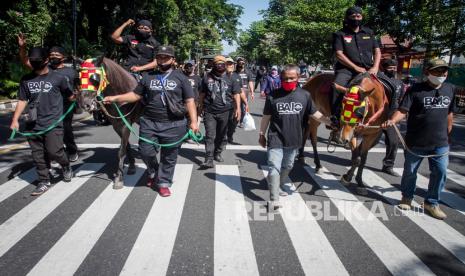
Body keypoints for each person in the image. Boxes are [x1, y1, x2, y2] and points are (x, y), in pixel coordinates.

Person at [103, 46, 199, 197]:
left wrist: (194, 122)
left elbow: (190, 101)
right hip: (149, 122)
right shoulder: (148, 77)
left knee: (169, 157)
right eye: (159, 57)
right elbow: (135, 96)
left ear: (173, 60)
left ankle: (164, 183)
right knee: (145, 151)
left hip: (174, 123)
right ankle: (153, 172)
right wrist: (114, 98)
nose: (162, 60)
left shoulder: (181, 78)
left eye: (166, 57)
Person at [382, 59, 456, 220]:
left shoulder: (450, 89)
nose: (442, 74)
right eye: (437, 71)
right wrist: (392, 120)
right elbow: (403, 110)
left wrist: (448, 131)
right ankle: (407, 198)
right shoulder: (415, 90)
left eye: (444, 71)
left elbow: (450, 113)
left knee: (441, 172)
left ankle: (431, 203)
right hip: (416, 141)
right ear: (427, 72)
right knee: (410, 172)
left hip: (440, 143)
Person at [259, 65, 334, 211]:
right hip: (275, 137)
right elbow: (266, 117)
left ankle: (279, 184)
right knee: (274, 166)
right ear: (281, 78)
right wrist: (261, 134)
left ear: (298, 78)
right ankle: (274, 199)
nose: (288, 80)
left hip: (294, 139)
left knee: (288, 166)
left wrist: (329, 121)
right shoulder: (273, 96)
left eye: (291, 78)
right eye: (285, 78)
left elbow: (315, 114)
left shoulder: (304, 95)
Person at [10, 47, 74, 196]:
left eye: (37, 61)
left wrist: (80, 98)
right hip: (32, 124)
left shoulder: (58, 78)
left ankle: (65, 165)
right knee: (38, 154)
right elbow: (22, 100)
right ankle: (44, 180)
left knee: (55, 151)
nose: (34, 63)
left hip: (53, 123)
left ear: (46, 60)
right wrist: (15, 120)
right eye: (32, 61)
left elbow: (70, 96)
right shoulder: (26, 79)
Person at [18, 34, 80, 162]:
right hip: (47, 107)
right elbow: (26, 61)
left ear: (64, 57)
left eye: (57, 55)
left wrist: (78, 98)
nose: (53, 57)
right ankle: (55, 152)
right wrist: (23, 48)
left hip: (65, 105)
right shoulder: (44, 68)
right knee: (48, 133)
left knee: (66, 129)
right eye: (51, 55)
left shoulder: (72, 72)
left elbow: (77, 87)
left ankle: (72, 149)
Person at [332, 6, 381, 126]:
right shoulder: (339, 34)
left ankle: (390, 112)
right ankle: (335, 117)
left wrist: (375, 67)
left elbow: (377, 51)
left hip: (369, 69)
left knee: (391, 84)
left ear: (362, 17)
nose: (356, 18)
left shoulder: (369, 32)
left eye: (358, 16)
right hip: (346, 70)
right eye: (353, 16)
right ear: (347, 18)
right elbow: (339, 54)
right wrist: (355, 67)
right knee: (337, 87)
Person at [198, 55, 241, 168]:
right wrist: (200, 107)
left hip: (226, 111)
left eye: (223, 64)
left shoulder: (232, 77)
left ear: (225, 65)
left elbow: (236, 95)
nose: (220, 65)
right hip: (209, 111)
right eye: (218, 64)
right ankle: (209, 159)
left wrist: (238, 109)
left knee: (222, 135)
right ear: (214, 64)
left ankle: (217, 152)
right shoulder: (207, 77)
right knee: (210, 135)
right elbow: (202, 94)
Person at [379, 58, 405, 176]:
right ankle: (357, 156)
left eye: (394, 68)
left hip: (392, 115)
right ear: (384, 68)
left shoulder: (399, 82)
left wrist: (401, 114)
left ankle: (388, 165)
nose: (393, 70)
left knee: (394, 142)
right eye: (390, 68)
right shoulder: (378, 80)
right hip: (378, 114)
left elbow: (402, 99)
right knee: (369, 141)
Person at [225, 57, 248, 144]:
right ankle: (223, 136)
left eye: (231, 64)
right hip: (223, 104)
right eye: (228, 64)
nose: (230, 65)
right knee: (224, 122)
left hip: (234, 104)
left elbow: (240, 90)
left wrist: (246, 102)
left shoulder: (237, 76)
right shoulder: (221, 76)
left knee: (235, 120)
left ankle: (230, 134)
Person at [235, 57, 255, 126]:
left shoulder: (248, 72)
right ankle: (235, 120)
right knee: (236, 106)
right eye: (239, 63)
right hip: (236, 92)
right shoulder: (235, 72)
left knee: (243, 107)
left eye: (242, 63)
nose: (241, 64)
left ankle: (242, 121)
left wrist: (252, 92)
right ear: (237, 63)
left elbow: (250, 82)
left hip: (245, 92)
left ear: (244, 63)